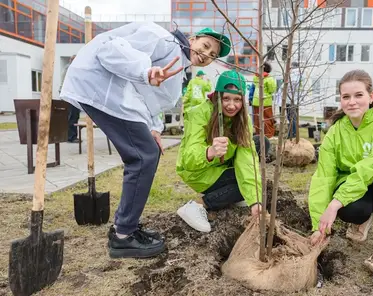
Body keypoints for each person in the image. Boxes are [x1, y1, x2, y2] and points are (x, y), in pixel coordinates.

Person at [60, 22, 231, 259]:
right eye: (205, 46)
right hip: (101, 85)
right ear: (193, 39)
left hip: (116, 95)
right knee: (142, 157)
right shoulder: (163, 39)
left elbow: (152, 99)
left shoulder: (178, 66)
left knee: (147, 153)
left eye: (212, 55)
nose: (206, 55)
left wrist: (155, 128)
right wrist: (144, 71)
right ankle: (123, 236)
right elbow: (110, 50)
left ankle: (125, 227)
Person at [308, 69, 373, 274]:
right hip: (354, 187)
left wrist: (336, 201)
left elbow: (371, 166)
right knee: (352, 209)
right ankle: (361, 218)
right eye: (346, 97)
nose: (352, 102)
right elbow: (324, 176)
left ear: (371, 97)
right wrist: (318, 226)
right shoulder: (335, 132)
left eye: (359, 95)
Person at [176, 70, 266, 233]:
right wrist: (209, 152)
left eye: (237, 99)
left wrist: (255, 201)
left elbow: (246, 160)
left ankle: (234, 194)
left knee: (260, 147)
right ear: (217, 96)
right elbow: (187, 159)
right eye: (226, 98)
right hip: (198, 170)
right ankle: (198, 206)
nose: (232, 106)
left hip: (222, 163)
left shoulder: (242, 120)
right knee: (241, 184)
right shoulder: (199, 113)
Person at [252, 62, 277, 138]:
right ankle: (268, 135)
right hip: (266, 101)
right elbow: (272, 90)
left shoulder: (256, 77)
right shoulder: (269, 78)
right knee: (267, 118)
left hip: (256, 100)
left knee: (257, 119)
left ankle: (258, 134)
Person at [60, 55, 80, 143]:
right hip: (70, 96)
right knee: (72, 116)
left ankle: (69, 136)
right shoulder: (70, 69)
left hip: (69, 95)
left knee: (71, 116)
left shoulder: (68, 68)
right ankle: (71, 137)